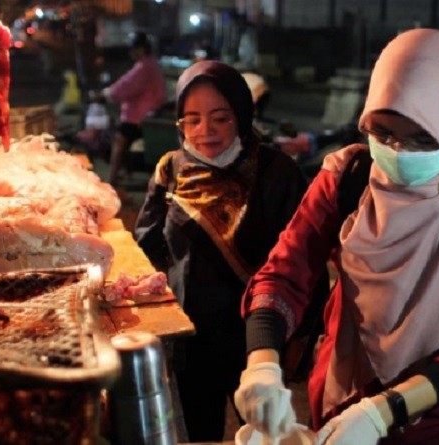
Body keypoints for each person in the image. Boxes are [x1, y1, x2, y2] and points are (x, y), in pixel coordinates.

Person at [233, 29, 439, 444]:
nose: (396, 151)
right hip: (341, 398)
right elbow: (285, 274)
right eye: (381, 131)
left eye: (421, 137)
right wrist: (262, 361)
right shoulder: (349, 178)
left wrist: (383, 412)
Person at [133, 60, 324, 442]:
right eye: (192, 119)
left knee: (263, 433)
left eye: (219, 118)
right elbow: (147, 242)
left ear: (241, 115)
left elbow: (307, 256)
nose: (205, 132)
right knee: (199, 431)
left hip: (255, 341)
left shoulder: (276, 171)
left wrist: (301, 336)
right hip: (191, 337)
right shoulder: (170, 169)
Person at [103, 31, 166, 187]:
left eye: (133, 49)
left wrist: (108, 93)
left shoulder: (145, 66)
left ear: (141, 49)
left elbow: (127, 85)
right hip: (146, 113)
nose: (131, 52)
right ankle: (125, 172)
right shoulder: (149, 64)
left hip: (140, 116)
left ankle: (112, 179)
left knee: (120, 138)